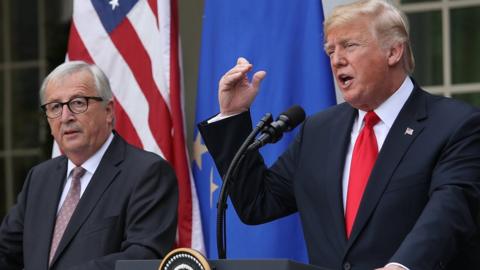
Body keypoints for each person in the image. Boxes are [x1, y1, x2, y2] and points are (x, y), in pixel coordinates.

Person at [197, 0, 480, 269]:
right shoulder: (318, 130)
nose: (336, 60)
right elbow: (257, 203)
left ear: (393, 52)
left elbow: (449, 211)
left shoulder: (455, 125)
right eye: (330, 51)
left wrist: (402, 265)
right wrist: (233, 115)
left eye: (349, 46)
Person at [0, 61, 178, 270]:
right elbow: (6, 252)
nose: (66, 117)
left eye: (78, 102)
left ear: (108, 111)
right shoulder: (40, 178)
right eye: (55, 107)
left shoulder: (147, 173)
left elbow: (143, 258)